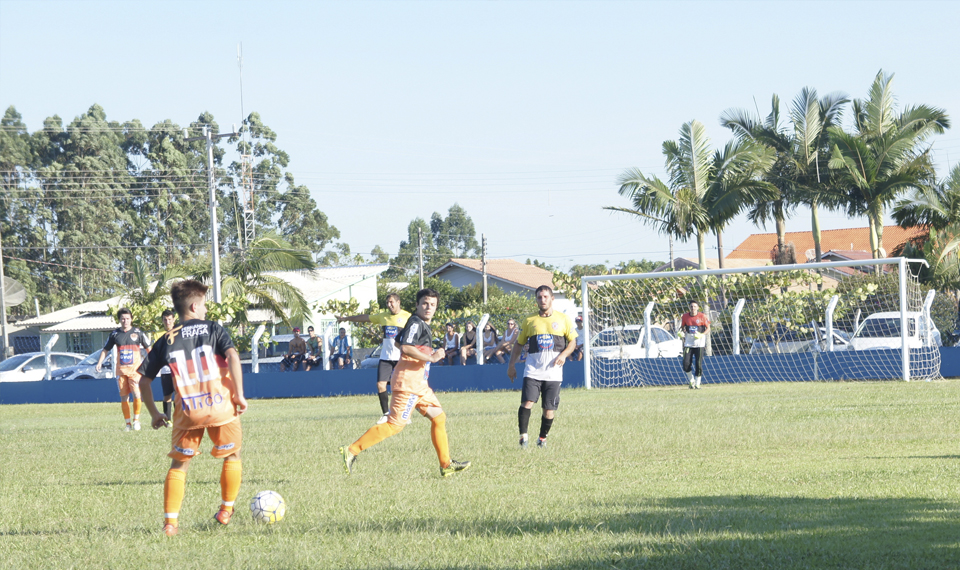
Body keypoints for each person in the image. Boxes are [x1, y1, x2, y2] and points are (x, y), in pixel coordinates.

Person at [137, 279, 248, 537]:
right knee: (233, 456)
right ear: (196, 305)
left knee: (179, 466)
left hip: (187, 412)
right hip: (221, 407)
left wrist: (155, 413)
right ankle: (226, 510)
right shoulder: (214, 329)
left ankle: (170, 524)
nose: (207, 311)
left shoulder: (167, 339)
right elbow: (232, 356)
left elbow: (143, 380)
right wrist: (240, 395)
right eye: (205, 306)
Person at [339, 288, 470, 478]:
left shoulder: (417, 323)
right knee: (394, 425)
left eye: (432, 304)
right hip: (408, 383)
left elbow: (399, 343)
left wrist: (422, 355)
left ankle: (446, 464)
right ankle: (351, 450)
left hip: (419, 384)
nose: (428, 307)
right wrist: (431, 357)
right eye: (425, 303)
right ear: (417, 305)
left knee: (439, 418)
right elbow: (406, 348)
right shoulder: (416, 323)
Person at [507, 285, 577, 449]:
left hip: (553, 373)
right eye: (539, 297)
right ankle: (523, 438)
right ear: (536, 299)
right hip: (533, 371)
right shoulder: (529, 320)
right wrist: (511, 365)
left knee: (548, 410)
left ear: (552, 299)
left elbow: (572, 342)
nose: (542, 300)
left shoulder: (563, 319)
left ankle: (542, 439)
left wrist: (563, 355)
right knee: (527, 402)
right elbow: (519, 344)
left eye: (546, 297)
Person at [338, 293, 411, 422]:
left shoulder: (408, 317)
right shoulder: (383, 316)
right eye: (387, 302)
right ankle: (386, 414)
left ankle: (403, 414)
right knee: (380, 385)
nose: (389, 305)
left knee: (401, 387)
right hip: (385, 357)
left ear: (398, 302)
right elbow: (365, 318)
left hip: (401, 357)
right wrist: (346, 318)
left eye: (391, 302)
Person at [96, 307, 152, 431]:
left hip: (135, 371)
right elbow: (106, 350)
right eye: (122, 319)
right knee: (124, 397)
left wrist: (152, 363)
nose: (125, 321)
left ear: (131, 319)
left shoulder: (138, 333)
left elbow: (149, 349)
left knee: (137, 394)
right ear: (119, 320)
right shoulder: (115, 334)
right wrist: (99, 362)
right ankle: (127, 424)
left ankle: (136, 420)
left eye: (127, 318)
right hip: (121, 371)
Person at [679, 300, 710, 389]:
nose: (693, 308)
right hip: (688, 343)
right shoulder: (685, 316)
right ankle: (691, 380)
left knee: (698, 364)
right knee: (686, 364)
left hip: (699, 344)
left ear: (698, 308)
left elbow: (708, 328)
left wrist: (702, 334)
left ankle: (697, 383)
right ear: (689, 307)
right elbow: (682, 327)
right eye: (691, 306)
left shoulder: (702, 316)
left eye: (694, 306)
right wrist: (681, 332)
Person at [155, 309, 177, 422]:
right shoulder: (158, 334)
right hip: (165, 370)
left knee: (179, 394)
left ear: (174, 319)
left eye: (169, 319)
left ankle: (179, 418)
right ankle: (168, 420)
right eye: (165, 319)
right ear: (162, 320)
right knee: (167, 395)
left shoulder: (179, 332)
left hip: (178, 369)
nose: (167, 322)